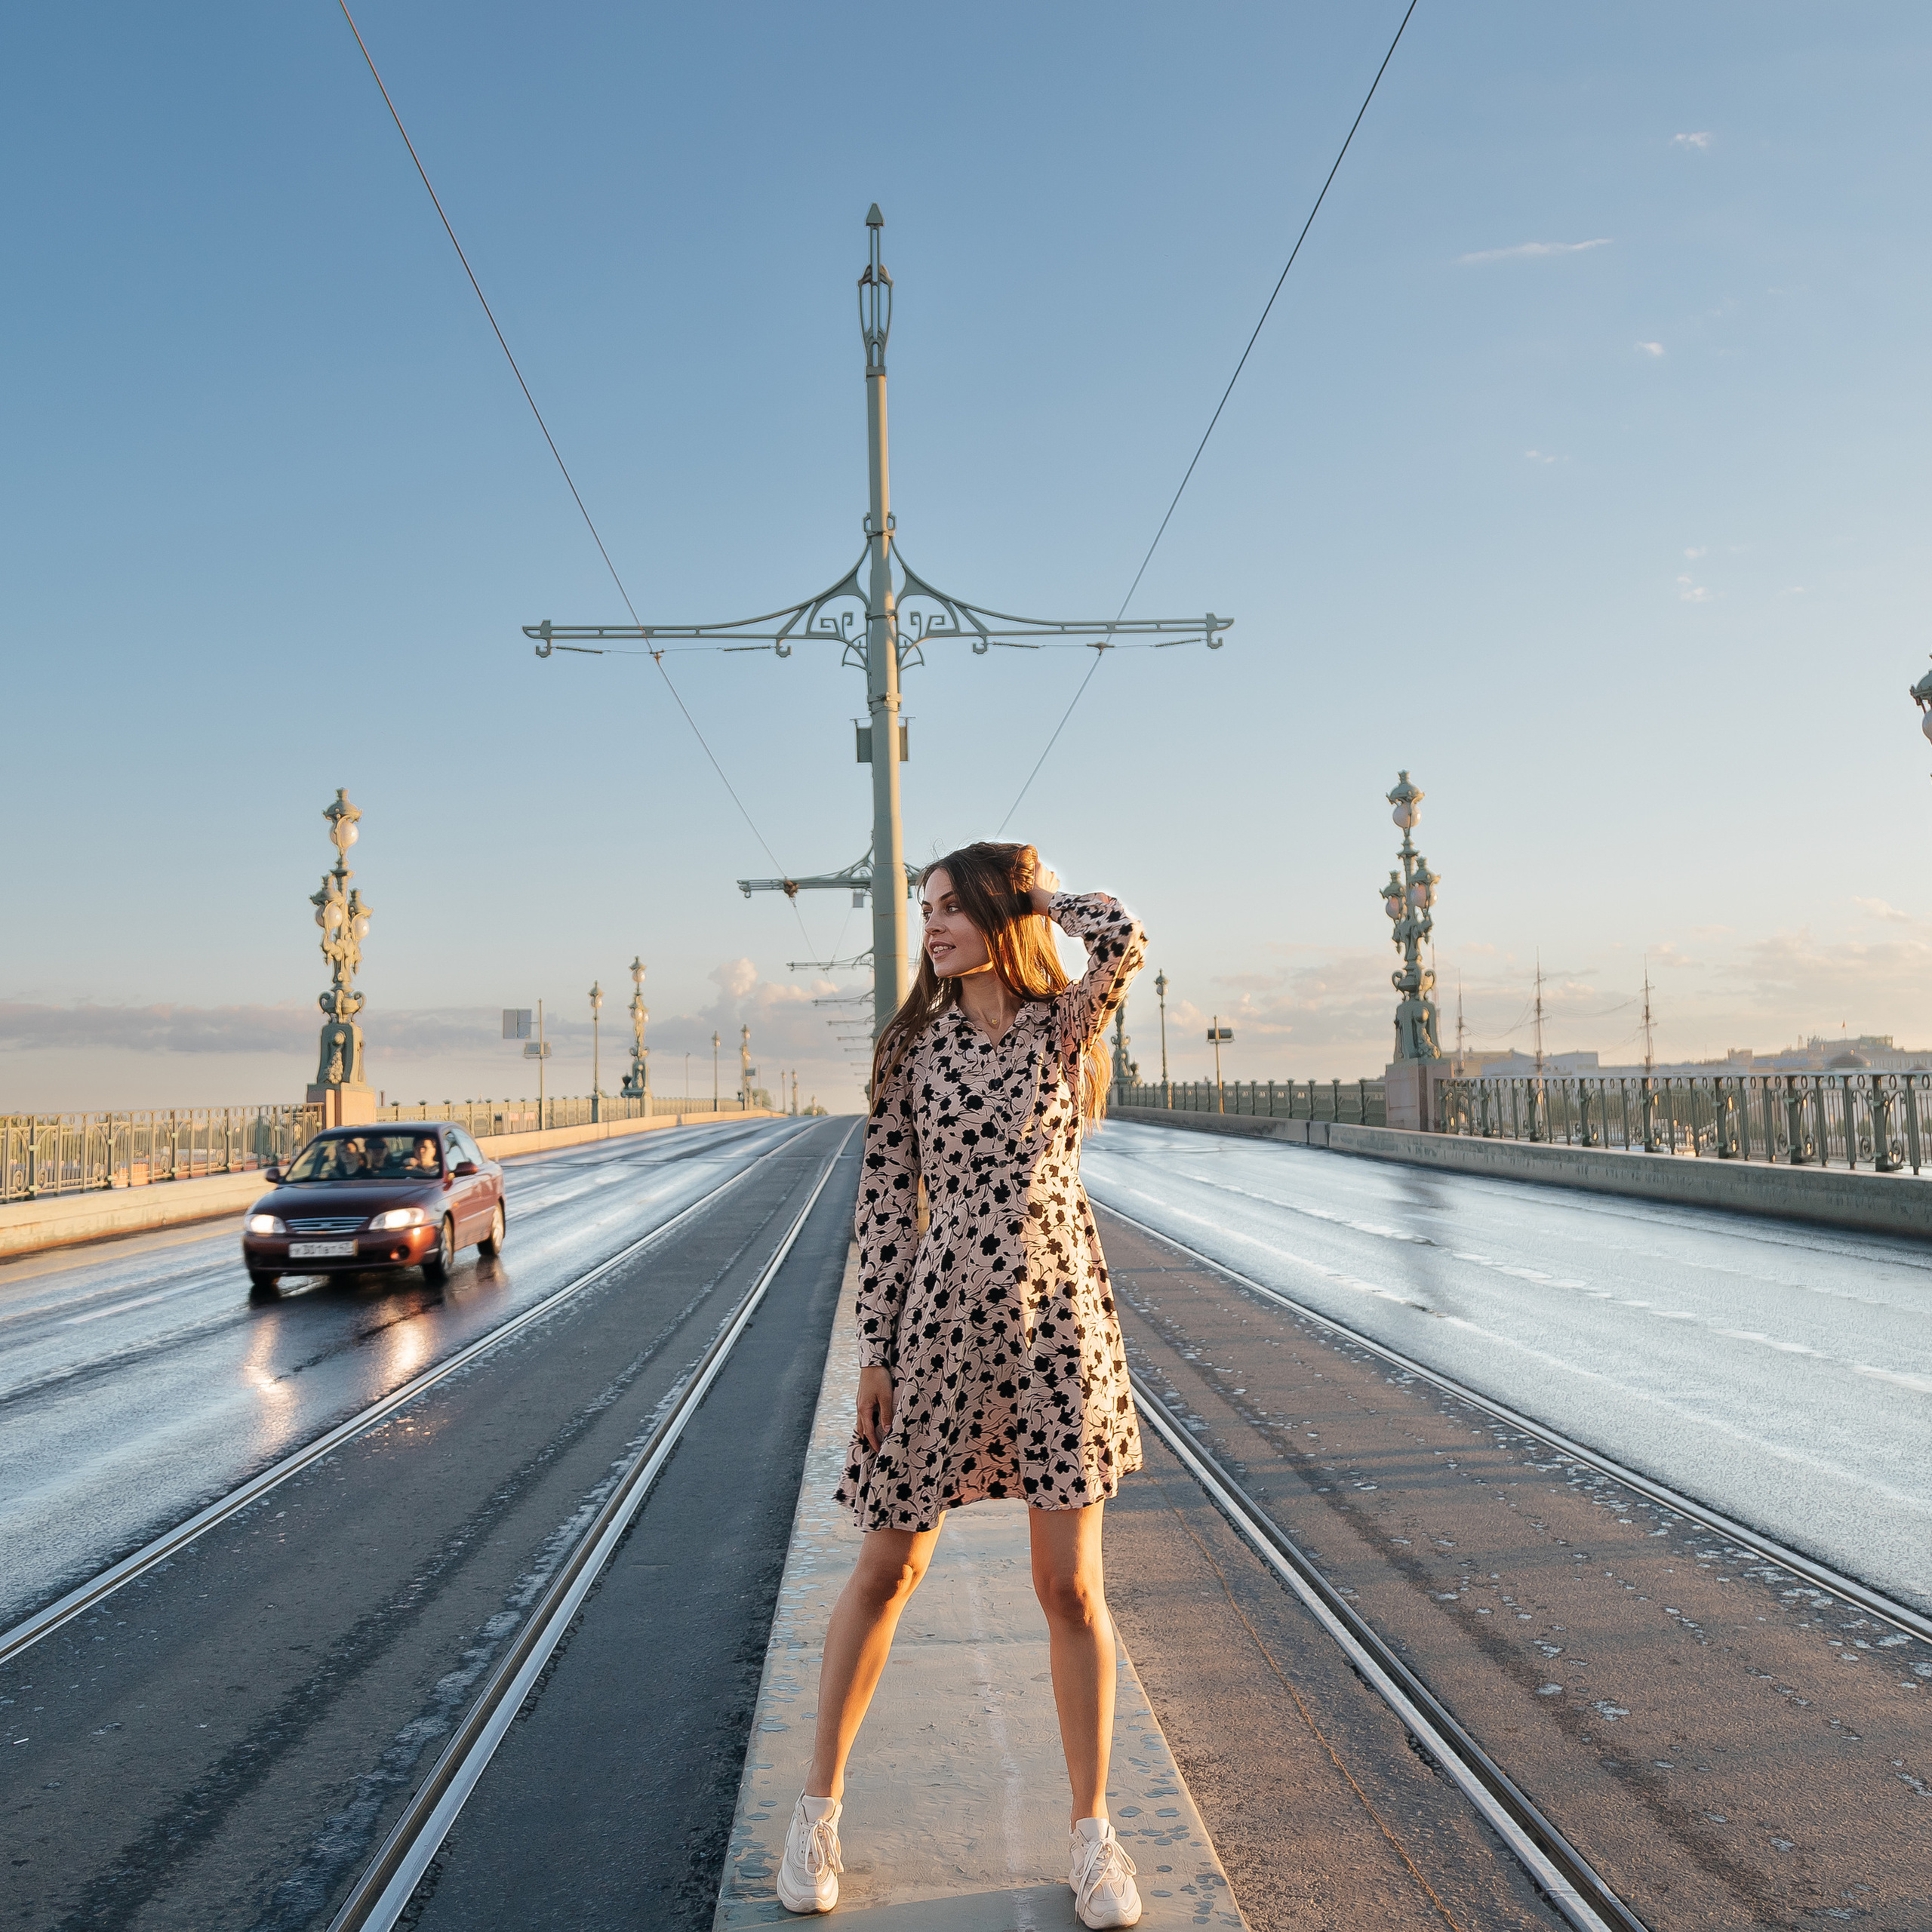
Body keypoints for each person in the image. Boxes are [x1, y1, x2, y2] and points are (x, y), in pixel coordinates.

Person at [777, 843, 1148, 1927]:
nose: (929, 926)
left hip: (1057, 1324)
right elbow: (889, 1211)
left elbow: (1123, 938)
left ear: (996, 911)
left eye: (948, 907)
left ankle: (1093, 1837)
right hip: (940, 1327)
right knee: (887, 1572)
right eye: (926, 909)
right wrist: (876, 1353)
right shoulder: (911, 1050)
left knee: (1071, 1591)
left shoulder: (1063, 1027)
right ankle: (817, 1815)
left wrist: (1036, 895)